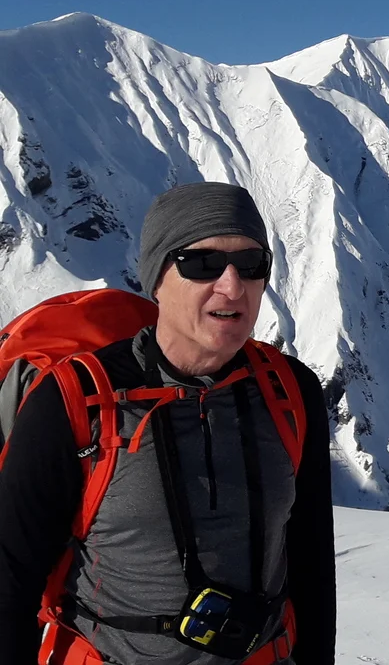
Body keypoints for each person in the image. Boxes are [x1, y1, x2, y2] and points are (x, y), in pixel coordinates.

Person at [0, 182, 337, 664]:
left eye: (251, 264)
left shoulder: (288, 390)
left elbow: (310, 561)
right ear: (157, 278)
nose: (232, 286)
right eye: (201, 263)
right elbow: (10, 581)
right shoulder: (74, 401)